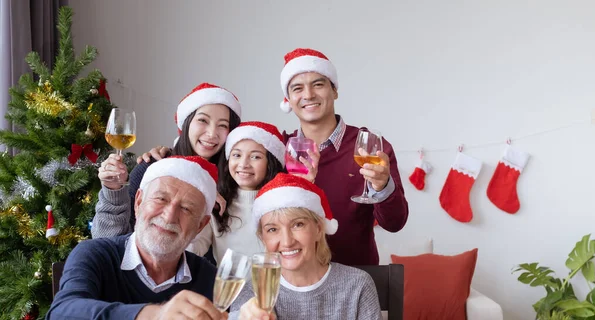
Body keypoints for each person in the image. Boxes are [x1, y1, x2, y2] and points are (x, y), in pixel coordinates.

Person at [45, 156, 240, 320]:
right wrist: (157, 318)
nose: (169, 216)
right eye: (161, 199)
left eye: (187, 208)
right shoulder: (95, 255)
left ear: (200, 226)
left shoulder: (209, 279)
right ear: (138, 202)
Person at [222, 173, 390, 320]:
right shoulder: (255, 286)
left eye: (298, 224)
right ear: (262, 237)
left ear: (318, 229)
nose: (287, 240)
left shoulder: (357, 286)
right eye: (272, 229)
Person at [278, 48, 409, 265]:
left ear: (335, 91)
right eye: (297, 88)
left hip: (358, 282)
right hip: (295, 284)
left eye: (318, 84)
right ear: (289, 100)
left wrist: (382, 186)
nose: (308, 95)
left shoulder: (371, 148)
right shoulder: (279, 148)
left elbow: (395, 223)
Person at [91, 82, 242, 238]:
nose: (212, 133)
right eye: (203, 120)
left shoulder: (237, 179)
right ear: (187, 122)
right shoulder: (152, 167)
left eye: (222, 125)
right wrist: (113, 191)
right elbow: (109, 240)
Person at [191, 121, 290, 264]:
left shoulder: (284, 202)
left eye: (255, 156)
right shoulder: (217, 204)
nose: (243, 164)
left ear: (271, 163)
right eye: (236, 155)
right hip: (230, 285)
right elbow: (195, 249)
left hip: (272, 284)